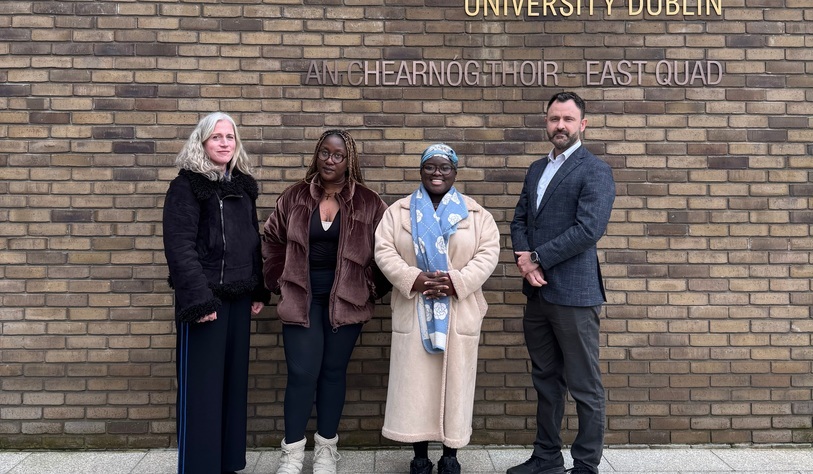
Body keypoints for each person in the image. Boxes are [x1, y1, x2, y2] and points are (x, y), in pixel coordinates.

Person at [261, 130, 390, 474]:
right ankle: (291, 454)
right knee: (302, 374)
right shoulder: (294, 196)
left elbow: (387, 252)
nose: (330, 161)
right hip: (301, 298)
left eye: (338, 156)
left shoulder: (369, 202)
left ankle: (326, 451)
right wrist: (277, 280)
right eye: (324, 154)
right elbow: (272, 240)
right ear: (316, 156)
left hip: (346, 301)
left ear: (350, 161)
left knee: (333, 374)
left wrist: (370, 287)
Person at [374, 144, 500, 474]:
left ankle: (450, 455)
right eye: (430, 167)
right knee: (417, 387)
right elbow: (384, 252)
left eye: (445, 167)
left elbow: (488, 255)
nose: (437, 173)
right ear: (421, 171)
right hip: (415, 309)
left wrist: (456, 281)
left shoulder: (476, 215)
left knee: (454, 387)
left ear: (455, 172)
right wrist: (413, 278)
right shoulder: (397, 212)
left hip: (458, 311)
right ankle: (419, 455)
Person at [508, 92, 616, 474]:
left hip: (574, 294)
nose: (560, 126)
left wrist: (537, 258)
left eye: (568, 119)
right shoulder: (537, 168)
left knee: (585, 385)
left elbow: (588, 230)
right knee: (546, 380)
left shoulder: (595, 170)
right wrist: (525, 260)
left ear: (582, 124)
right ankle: (546, 457)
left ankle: (586, 465)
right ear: (546, 122)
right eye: (554, 119)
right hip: (537, 293)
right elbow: (520, 219)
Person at [162, 112, 268, 474]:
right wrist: (199, 301)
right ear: (202, 142)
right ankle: (198, 466)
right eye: (216, 137)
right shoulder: (186, 186)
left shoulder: (242, 185)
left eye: (230, 137)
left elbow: (253, 242)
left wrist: (258, 287)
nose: (224, 143)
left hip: (238, 299)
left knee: (232, 386)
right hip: (204, 301)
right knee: (203, 391)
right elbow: (179, 248)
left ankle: (227, 463)